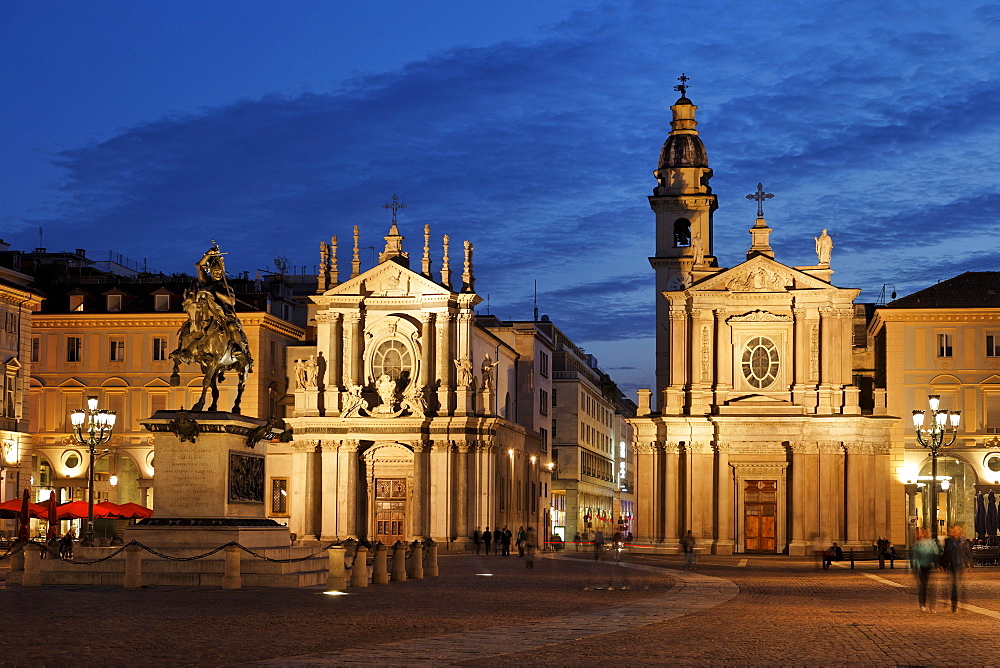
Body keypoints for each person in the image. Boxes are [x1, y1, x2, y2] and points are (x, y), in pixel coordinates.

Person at [942, 525, 972, 612]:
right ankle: (954, 604)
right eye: (954, 531)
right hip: (951, 566)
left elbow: (967, 553)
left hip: (960, 565)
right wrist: (942, 564)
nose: (955, 532)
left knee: (960, 585)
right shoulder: (948, 541)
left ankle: (961, 603)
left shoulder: (963, 541)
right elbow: (945, 553)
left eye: (957, 531)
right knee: (954, 585)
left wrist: (968, 564)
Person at [910, 528, 940, 612]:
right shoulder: (916, 545)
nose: (917, 535)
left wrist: (937, 564)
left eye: (919, 533)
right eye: (916, 533)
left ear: (923, 534)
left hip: (930, 566)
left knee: (932, 587)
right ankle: (922, 604)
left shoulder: (930, 543)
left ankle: (932, 606)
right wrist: (916, 567)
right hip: (921, 568)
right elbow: (914, 557)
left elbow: (936, 553)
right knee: (923, 586)